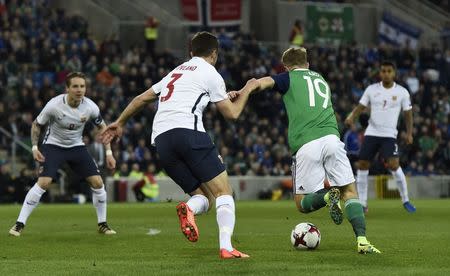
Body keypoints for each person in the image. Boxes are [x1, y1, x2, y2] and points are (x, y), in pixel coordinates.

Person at [100, 32, 258, 259]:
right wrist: (248, 89)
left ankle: (190, 208)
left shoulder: (175, 72)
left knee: (204, 197)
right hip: (189, 133)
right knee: (224, 193)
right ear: (214, 53)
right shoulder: (210, 73)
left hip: (162, 142)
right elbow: (232, 114)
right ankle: (227, 248)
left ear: (191, 52)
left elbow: (141, 99)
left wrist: (120, 122)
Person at [231, 47, 380, 254]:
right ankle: (362, 241)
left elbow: (261, 83)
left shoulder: (288, 78)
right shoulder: (320, 79)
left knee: (302, 204)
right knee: (350, 191)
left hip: (306, 144)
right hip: (332, 139)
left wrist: (245, 89)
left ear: (286, 67)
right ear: (307, 64)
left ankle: (327, 197)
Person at [9, 72, 117, 236]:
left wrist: (109, 153)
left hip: (76, 147)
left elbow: (104, 128)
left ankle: (102, 224)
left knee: (97, 183)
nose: (79, 90)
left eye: (82, 86)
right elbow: (37, 124)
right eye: (75, 86)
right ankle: (19, 224)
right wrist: (34, 148)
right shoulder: (54, 105)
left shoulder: (90, 107)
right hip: (53, 146)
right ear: (67, 88)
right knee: (44, 182)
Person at [345, 61, 416, 213]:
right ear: (380, 73)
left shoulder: (402, 92)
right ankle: (363, 203)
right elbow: (361, 107)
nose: (386, 74)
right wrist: (352, 117)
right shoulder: (371, 89)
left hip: (389, 135)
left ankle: (406, 200)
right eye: (383, 71)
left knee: (394, 164)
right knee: (363, 164)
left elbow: (408, 114)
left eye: (389, 71)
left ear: (394, 73)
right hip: (372, 133)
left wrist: (409, 133)